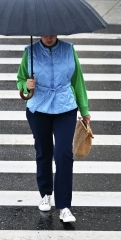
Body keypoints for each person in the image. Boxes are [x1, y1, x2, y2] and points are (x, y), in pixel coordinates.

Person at [17, 35, 90, 224]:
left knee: (63, 154)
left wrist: (84, 110)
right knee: (43, 151)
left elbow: (78, 81)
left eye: (52, 33)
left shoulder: (69, 50)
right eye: (44, 33)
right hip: (38, 108)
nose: (48, 37)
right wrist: (26, 85)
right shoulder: (30, 52)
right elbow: (20, 80)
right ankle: (45, 193)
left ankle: (64, 206)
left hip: (65, 107)